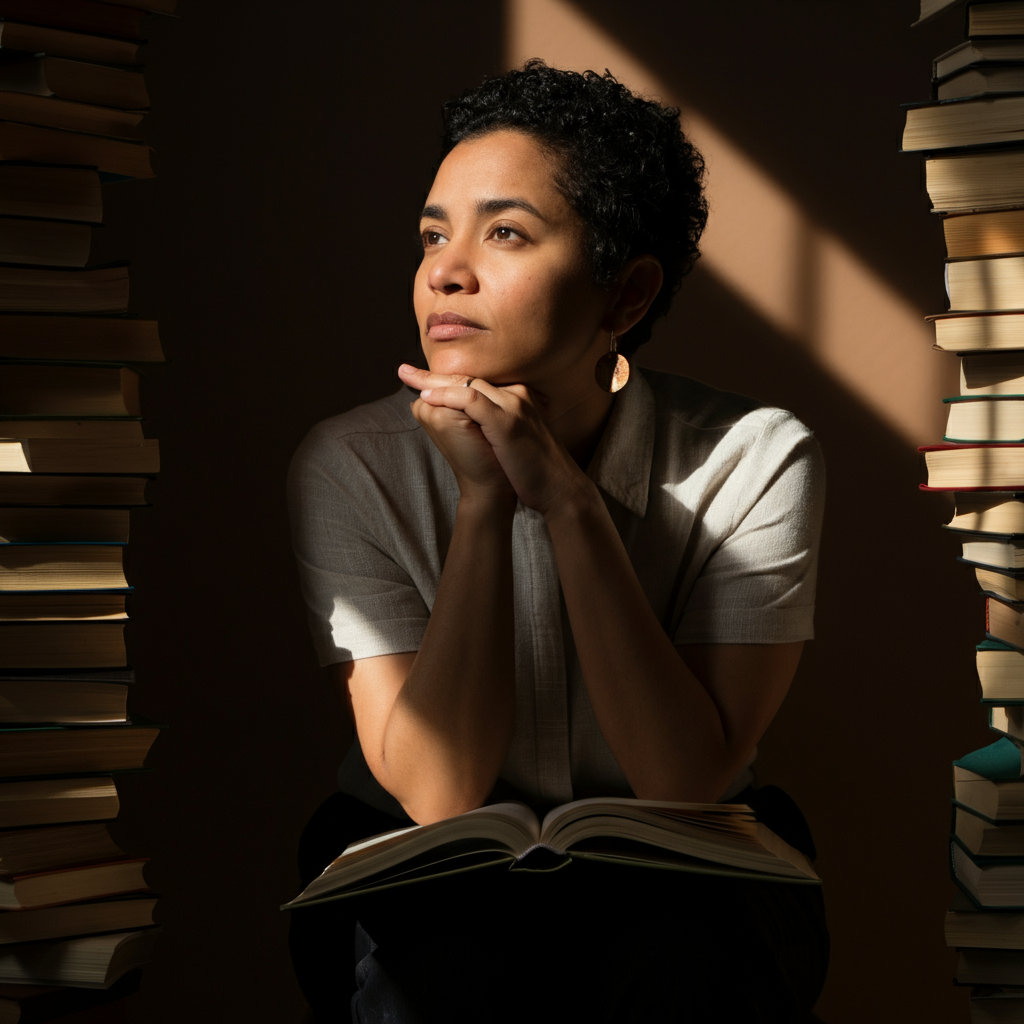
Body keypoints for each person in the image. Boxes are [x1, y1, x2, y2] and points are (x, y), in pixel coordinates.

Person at [287, 59, 828, 1023]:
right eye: (431, 236)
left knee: (687, 976)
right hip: (422, 861)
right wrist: (483, 503)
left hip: (685, 860)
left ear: (626, 295)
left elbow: (682, 778)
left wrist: (571, 505)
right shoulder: (347, 464)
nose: (446, 271)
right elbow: (439, 791)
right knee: (441, 985)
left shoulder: (757, 457)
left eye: (505, 233)